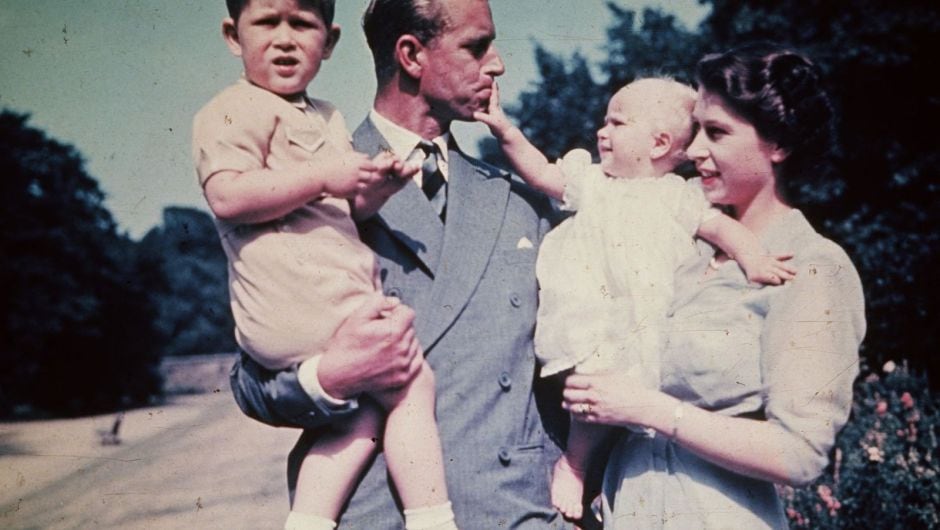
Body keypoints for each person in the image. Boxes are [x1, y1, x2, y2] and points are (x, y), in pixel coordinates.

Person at [227, 0, 573, 528]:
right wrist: (330, 378)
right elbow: (251, 380)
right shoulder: (303, 186)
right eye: (477, 47)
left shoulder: (522, 203)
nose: (497, 64)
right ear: (411, 55)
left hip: (515, 512)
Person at [560, 43, 866, 529]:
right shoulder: (680, 251)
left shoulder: (812, 266)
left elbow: (800, 453)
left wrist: (652, 409)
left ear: (778, 145)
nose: (694, 149)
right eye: (696, 129)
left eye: (717, 133)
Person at [475, 77, 796, 520]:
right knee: (594, 385)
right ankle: (575, 464)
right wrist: (505, 130)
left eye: (617, 123)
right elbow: (543, 173)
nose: (601, 132)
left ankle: (612, 479)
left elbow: (724, 229)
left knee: (636, 393)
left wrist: (754, 258)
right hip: (592, 310)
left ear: (659, 142)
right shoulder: (593, 183)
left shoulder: (677, 197)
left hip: (647, 316)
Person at [191, 1, 459, 528]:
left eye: (303, 24)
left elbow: (342, 207)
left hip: (320, 304)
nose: (285, 39)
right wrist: (323, 174)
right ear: (232, 35)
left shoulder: (327, 115)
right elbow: (227, 196)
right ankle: (432, 517)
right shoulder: (228, 110)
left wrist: (375, 189)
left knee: (358, 417)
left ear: (329, 43)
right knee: (412, 383)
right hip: (297, 303)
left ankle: (309, 521)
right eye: (267, 23)